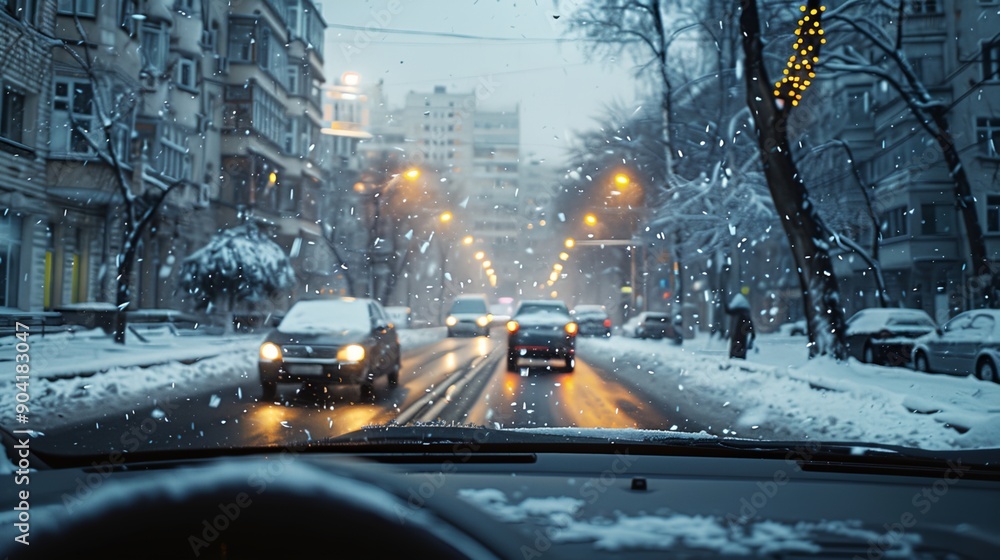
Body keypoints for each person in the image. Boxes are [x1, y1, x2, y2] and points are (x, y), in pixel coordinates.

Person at [724, 293, 756, 359]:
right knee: (739, 354)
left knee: (736, 354)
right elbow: (750, 327)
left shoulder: (737, 314)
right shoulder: (744, 314)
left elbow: (728, 311)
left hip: (737, 338)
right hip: (741, 338)